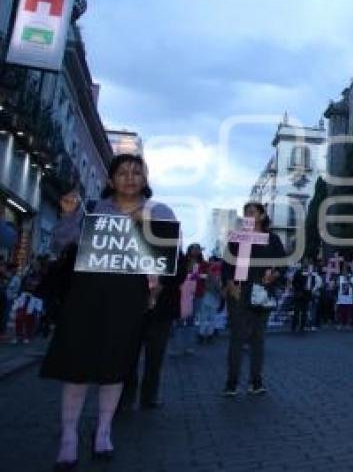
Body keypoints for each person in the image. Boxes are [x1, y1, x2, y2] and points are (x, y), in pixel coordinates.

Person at [40, 155, 177, 469]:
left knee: (115, 366)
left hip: (128, 298)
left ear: (145, 178)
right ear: (110, 179)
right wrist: (69, 215)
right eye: (123, 172)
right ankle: (69, 436)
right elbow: (60, 243)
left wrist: (155, 288)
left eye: (136, 172)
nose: (130, 177)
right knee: (77, 366)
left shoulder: (160, 212)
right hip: (86, 295)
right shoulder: (92, 208)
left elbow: (168, 256)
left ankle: (103, 431)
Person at [222, 202, 285, 397]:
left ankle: (256, 382)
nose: (248, 215)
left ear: (262, 215)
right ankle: (231, 383)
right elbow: (226, 264)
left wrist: (274, 276)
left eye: (252, 212)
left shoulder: (272, 239)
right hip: (240, 291)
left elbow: (282, 264)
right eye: (245, 212)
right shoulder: (237, 238)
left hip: (262, 291)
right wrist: (229, 284)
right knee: (237, 338)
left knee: (258, 339)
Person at [121, 247, 184, 411]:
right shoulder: (135, 241)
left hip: (160, 308)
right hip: (136, 306)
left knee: (153, 356)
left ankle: (145, 397)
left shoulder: (173, 246)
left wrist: (162, 284)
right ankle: (130, 397)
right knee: (131, 354)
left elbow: (180, 274)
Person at [197, 257, 223, 343]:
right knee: (212, 317)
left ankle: (202, 335)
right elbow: (218, 287)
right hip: (214, 297)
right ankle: (209, 335)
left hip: (207, 296)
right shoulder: (218, 274)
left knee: (204, 317)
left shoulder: (209, 272)